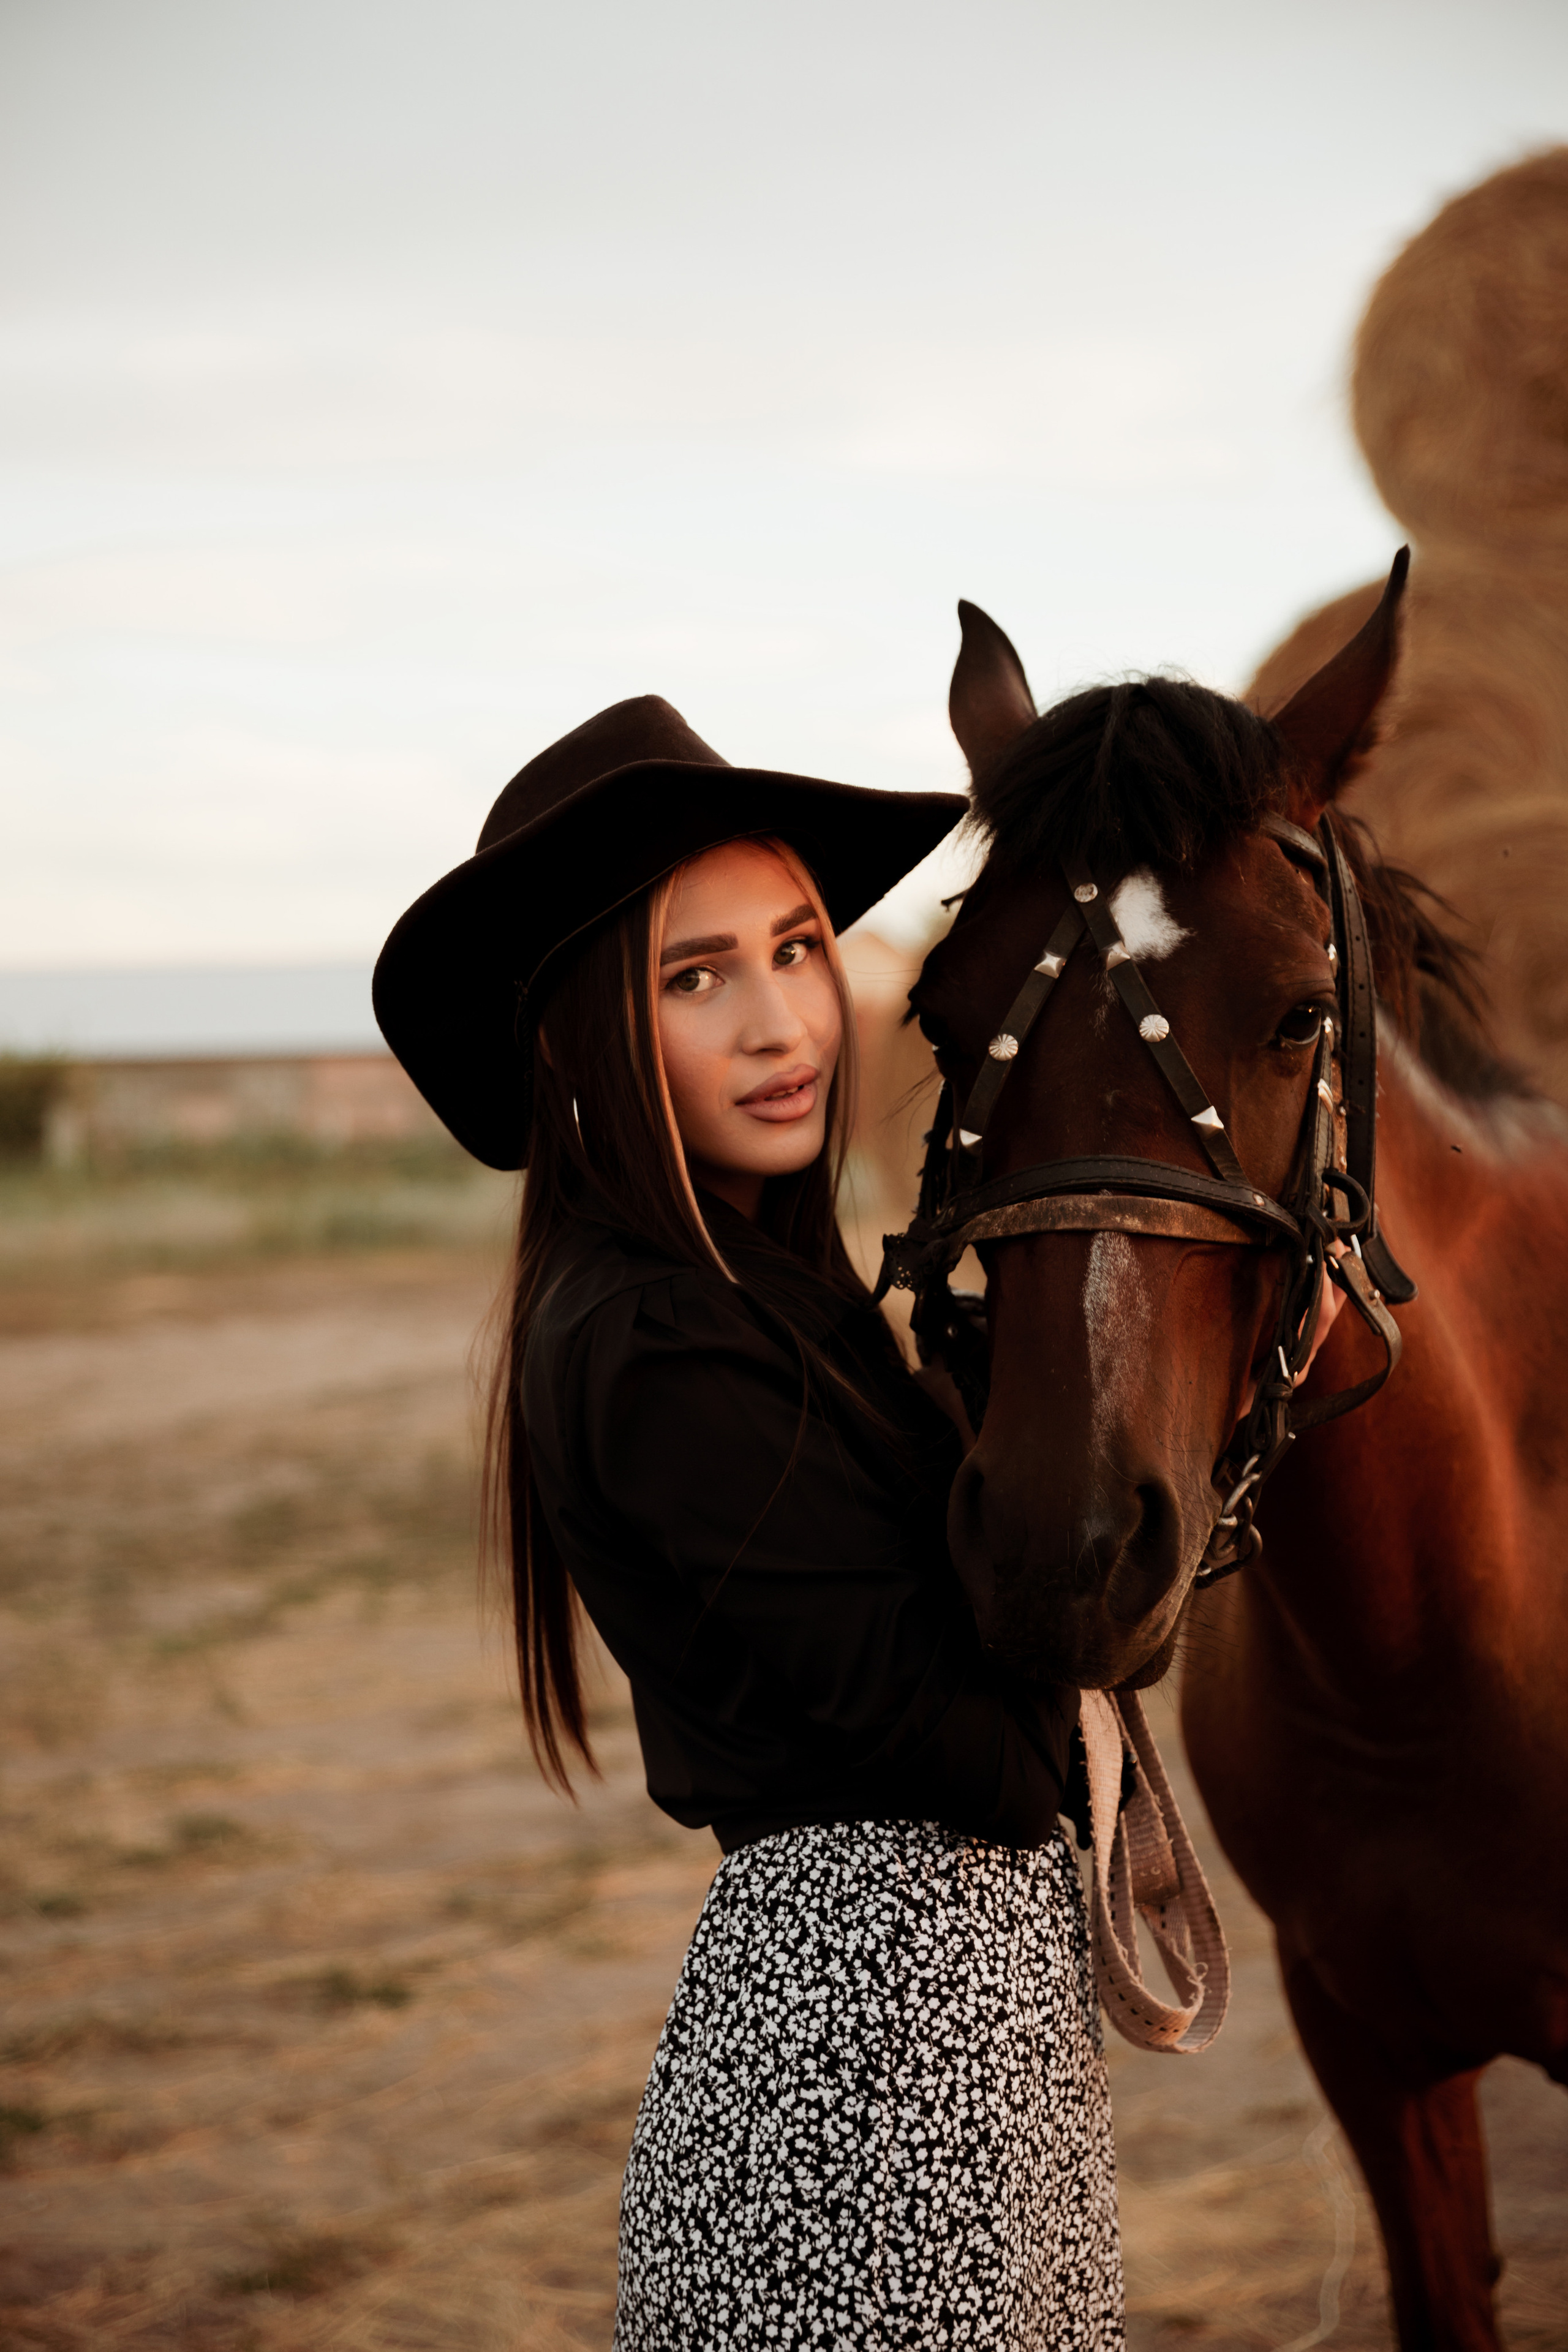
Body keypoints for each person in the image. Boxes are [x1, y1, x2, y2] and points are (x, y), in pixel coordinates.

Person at [374, 695, 1124, 2349]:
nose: (784, 1022)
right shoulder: (653, 1340)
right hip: (856, 2083)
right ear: (578, 1038)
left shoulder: (771, 1292)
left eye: (795, 949)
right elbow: (986, 1758)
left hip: (960, 2044)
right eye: (694, 977)